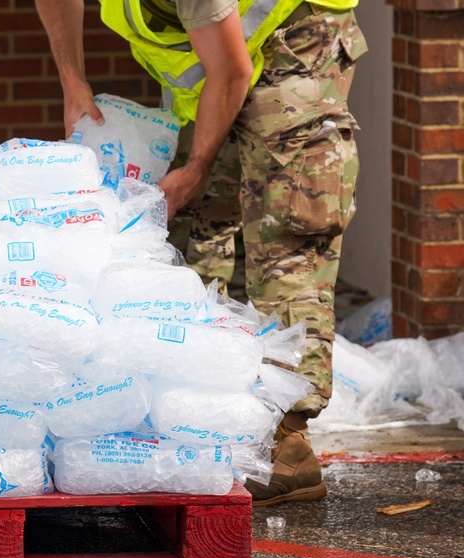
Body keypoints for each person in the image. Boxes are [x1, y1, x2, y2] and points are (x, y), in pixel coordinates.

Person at [35, 0, 366, 506]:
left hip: (295, 45)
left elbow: (231, 70)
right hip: (217, 58)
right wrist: (71, 80)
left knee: (285, 235)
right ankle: (202, 422)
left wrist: (198, 166)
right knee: (187, 229)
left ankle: (288, 442)